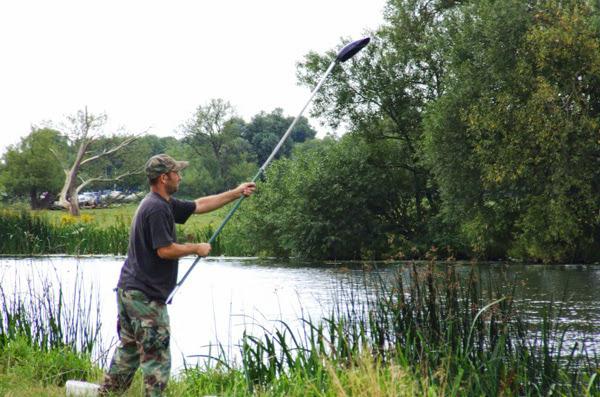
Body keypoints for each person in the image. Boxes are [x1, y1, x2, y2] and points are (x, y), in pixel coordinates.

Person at [99, 154, 256, 396]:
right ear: (164, 177)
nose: (180, 176)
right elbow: (165, 250)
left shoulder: (161, 203)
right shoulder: (157, 209)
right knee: (157, 361)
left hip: (129, 291)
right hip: (145, 298)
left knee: (128, 352)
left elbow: (199, 205)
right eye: (176, 173)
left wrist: (236, 192)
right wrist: (196, 248)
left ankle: (106, 395)